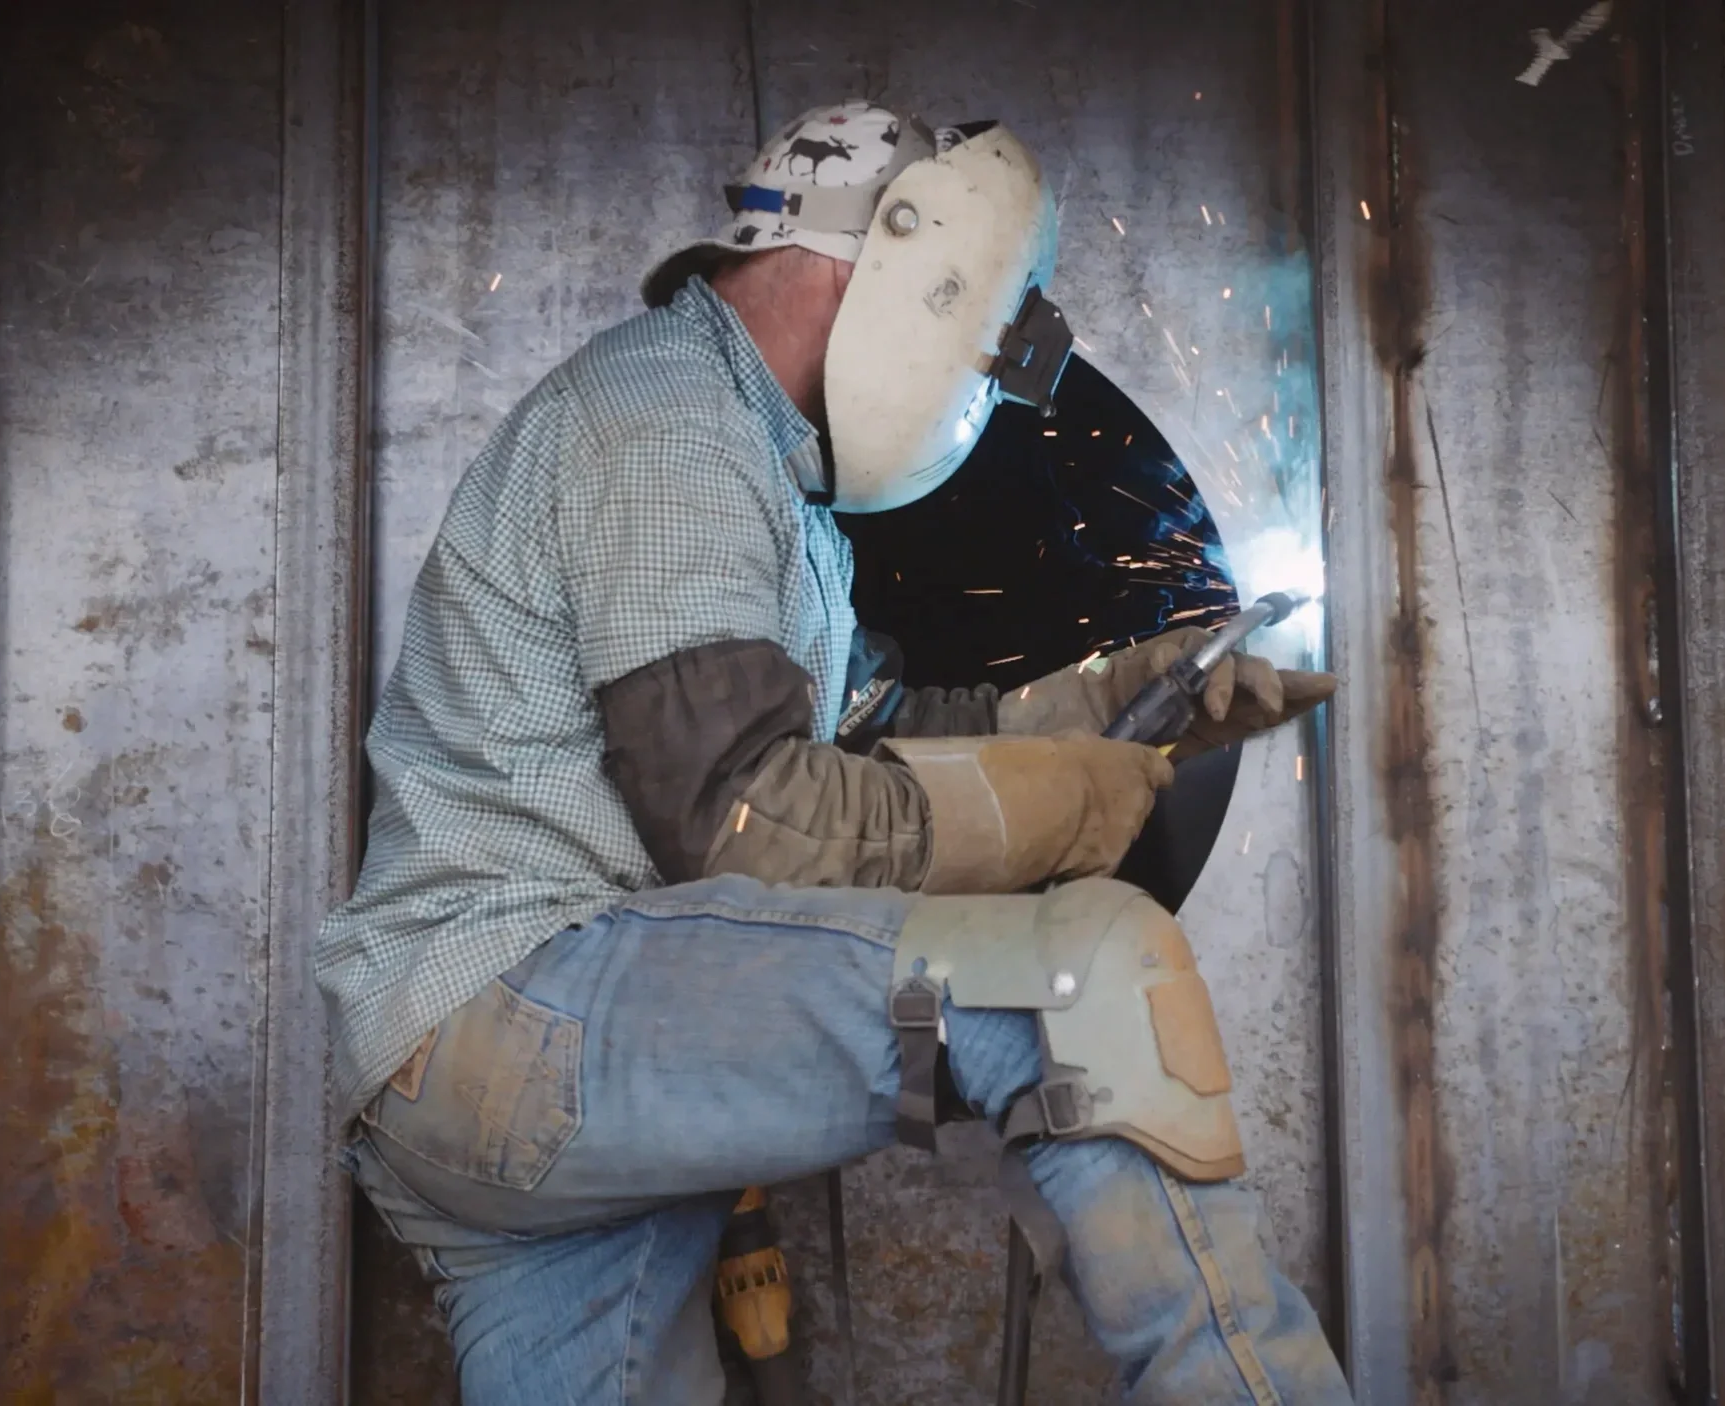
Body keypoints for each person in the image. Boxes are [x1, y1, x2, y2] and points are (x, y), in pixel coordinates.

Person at [318, 99, 1347, 1404]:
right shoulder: (672, 424)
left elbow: (875, 745)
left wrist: (1116, 701)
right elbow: (743, 815)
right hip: (519, 1008)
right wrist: (1058, 811)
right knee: (1081, 979)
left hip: (504, 1089)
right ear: (899, 264)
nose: (974, 379)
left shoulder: (774, 485)